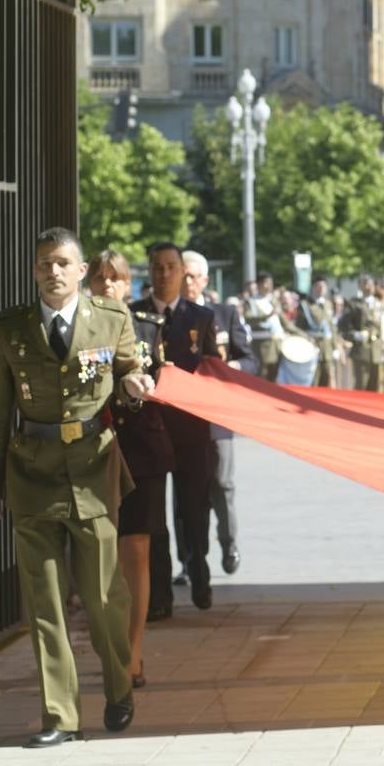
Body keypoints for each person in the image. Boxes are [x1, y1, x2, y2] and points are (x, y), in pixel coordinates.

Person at [0, 227, 150, 747]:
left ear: (81, 271)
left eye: (60, 263)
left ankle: (119, 687)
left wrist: (135, 384)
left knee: (103, 599)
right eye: (42, 264)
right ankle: (60, 717)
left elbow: (128, 372)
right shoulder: (10, 329)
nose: (51, 272)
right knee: (44, 603)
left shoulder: (112, 318)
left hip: (94, 472)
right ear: (34, 272)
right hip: (32, 473)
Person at [88, 250, 172, 690]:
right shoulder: (77, 328)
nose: (107, 286)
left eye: (115, 279)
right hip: (94, 450)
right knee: (101, 554)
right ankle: (110, 643)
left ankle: (134, 650)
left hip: (141, 450)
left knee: (137, 550)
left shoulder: (148, 328)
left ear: (127, 285)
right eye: (99, 278)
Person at [132, 242, 221, 613]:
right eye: (157, 267)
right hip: (148, 431)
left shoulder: (200, 317)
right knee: (152, 518)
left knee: (193, 511)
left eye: (170, 267)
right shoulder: (132, 315)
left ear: (183, 271)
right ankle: (160, 597)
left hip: (190, 432)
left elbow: (214, 369)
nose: (164, 274)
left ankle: (199, 573)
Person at [183, 251, 255, 577]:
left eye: (192, 276)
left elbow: (250, 360)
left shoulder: (225, 314)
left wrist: (231, 368)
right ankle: (189, 560)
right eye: (182, 276)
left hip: (217, 418)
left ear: (204, 280)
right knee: (185, 492)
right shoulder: (169, 318)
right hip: (183, 418)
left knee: (222, 485)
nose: (187, 282)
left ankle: (229, 542)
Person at [338, 276, 384, 391]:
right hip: (361, 349)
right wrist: (355, 335)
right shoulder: (354, 304)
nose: (369, 287)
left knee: (376, 386)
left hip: (376, 349)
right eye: (366, 284)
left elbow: (380, 326)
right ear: (360, 286)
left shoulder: (378, 304)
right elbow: (343, 326)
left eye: (371, 284)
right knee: (361, 385)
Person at [243, 272, 284, 381]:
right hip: (261, 345)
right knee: (262, 375)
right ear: (259, 284)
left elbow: (284, 322)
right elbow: (248, 318)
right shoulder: (251, 302)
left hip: (276, 344)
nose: (269, 286)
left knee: (274, 375)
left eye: (271, 283)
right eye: (266, 283)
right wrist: (266, 316)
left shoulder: (274, 301)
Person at [296, 278, 336, 387]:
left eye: (323, 287)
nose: (320, 289)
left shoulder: (328, 304)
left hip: (327, 348)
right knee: (314, 379)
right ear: (313, 288)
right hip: (313, 345)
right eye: (318, 286)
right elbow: (299, 327)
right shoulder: (305, 305)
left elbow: (332, 327)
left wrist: (335, 347)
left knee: (327, 378)